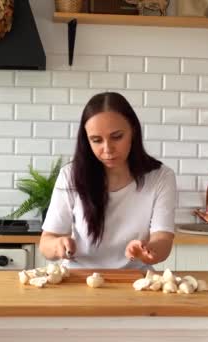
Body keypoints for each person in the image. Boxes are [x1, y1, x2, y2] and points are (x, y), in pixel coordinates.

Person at [39, 92, 177, 270]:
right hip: (78, 280)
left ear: (133, 131)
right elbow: (46, 242)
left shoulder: (161, 177)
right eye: (96, 140)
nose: (107, 149)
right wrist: (58, 245)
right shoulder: (70, 175)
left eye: (117, 137)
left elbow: (163, 238)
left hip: (135, 281)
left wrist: (147, 250)